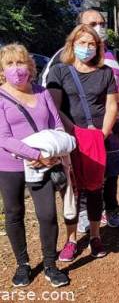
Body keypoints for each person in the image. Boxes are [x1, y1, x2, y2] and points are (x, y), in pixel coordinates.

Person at [40, 9, 119, 232]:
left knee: (109, 172)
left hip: (108, 128)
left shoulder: (113, 55)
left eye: (101, 23)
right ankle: (84, 215)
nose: (98, 27)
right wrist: (72, 130)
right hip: (74, 132)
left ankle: (111, 210)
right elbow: (52, 103)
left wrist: (105, 131)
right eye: (92, 23)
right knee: (77, 176)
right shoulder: (59, 61)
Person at [47, 24, 119, 261]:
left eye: (91, 44)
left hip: (97, 138)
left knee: (96, 188)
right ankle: (70, 239)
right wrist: (74, 131)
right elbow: (55, 108)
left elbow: (111, 105)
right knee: (71, 190)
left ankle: (95, 236)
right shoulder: (60, 71)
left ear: (98, 47)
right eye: (82, 43)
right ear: (72, 45)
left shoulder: (105, 72)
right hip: (70, 138)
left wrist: (103, 133)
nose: (86, 48)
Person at [0, 44, 69, 287]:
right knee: (14, 213)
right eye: (10, 64)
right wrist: (35, 154)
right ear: (2, 68)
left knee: (48, 214)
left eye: (20, 63)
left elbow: (57, 126)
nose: (16, 69)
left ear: (30, 66)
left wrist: (51, 152)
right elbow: (4, 137)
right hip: (10, 165)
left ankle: (50, 264)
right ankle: (23, 264)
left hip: (44, 164)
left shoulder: (42, 93)